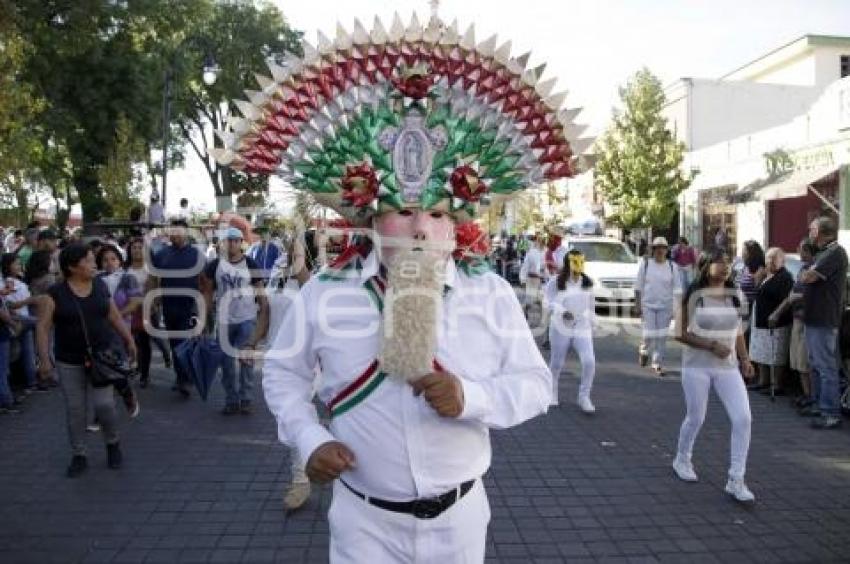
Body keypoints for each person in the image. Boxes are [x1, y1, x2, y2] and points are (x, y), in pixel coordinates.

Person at [36, 243, 139, 477]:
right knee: (75, 410)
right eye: (89, 260)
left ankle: (113, 443)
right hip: (69, 360)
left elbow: (113, 315)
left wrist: (129, 339)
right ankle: (79, 454)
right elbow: (42, 328)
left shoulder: (100, 285)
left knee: (104, 405)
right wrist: (44, 360)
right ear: (73, 267)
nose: (95, 264)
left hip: (102, 357)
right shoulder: (55, 293)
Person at [673, 249, 756, 503]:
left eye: (728, 262)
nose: (725, 266)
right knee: (696, 417)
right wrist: (710, 345)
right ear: (706, 266)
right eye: (719, 262)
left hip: (728, 367)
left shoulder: (735, 295)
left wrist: (745, 359)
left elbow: (739, 332)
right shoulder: (692, 295)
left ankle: (736, 478)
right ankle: (682, 458)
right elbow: (679, 333)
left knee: (743, 418)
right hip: (697, 366)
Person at [200, 227, 269, 415]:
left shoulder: (250, 264)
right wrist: (203, 319)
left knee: (246, 359)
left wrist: (264, 310)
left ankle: (246, 398)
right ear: (223, 243)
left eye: (235, 240)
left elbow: (261, 292)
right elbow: (207, 293)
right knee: (226, 363)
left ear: (241, 243)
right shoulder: (214, 265)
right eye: (228, 240)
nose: (231, 244)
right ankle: (231, 399)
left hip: (247, 318)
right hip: (223, 322)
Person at [801, 217, 848, 429]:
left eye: (812, 228)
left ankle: (830, 412)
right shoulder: (823, 253)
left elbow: (808, 277)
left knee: (826, 366)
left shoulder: (834, 252)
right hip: (814, 317)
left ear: (819, 231)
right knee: (816, 363)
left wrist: (805, 274)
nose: (809, 231)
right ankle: (819, 405)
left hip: (824, 318)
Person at [147, 219, 203, 397]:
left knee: (183, 343)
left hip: (189, 305)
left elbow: (204, 282)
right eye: (172, 231)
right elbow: (154, 278)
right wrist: (153, 300)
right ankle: (182, 376)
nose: (175, 234)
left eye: (178, 231)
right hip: (168, 305)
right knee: (174, 343)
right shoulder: (161, 253)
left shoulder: (196, 254)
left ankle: (185, 379)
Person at [544, 249, 596, 413]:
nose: (576, 272)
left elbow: (591, 306)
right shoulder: (555, 282)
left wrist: (593, 322)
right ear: (567, 266)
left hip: (582, 327)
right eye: (573, 267)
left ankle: (584, 396)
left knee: (589, 361)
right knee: (557, 363)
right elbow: (548, 301)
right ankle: (552, 393)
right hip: (561, 327)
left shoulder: (587, 283)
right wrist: (561, 311)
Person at [746, 248, 793, 395]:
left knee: (775, 353)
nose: (770, 261)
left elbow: (787, 299)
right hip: (761, 320)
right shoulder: (768, 275)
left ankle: (776, 385)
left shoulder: (785, 276)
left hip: (776, 322)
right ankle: (763, 381)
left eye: (774, 258)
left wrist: (776, 314)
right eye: (768, 258)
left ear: (782, 260)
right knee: (761, 351)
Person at [634, 237, 681, 376]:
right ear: (653, 250)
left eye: (663, 248)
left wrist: (677, 308)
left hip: (665, 306)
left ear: (667, 250)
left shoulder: (673, 267)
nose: (660, 250)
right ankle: (644, 349)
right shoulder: (646, 264)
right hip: (648, 305)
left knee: (661, 336)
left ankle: (657, 363)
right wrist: (638, 305)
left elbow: (678, 289)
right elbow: (638, 286)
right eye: (657, 248)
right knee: (649, 333)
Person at [1, 254, 41, 393]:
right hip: (17, 320)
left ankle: (32, 381)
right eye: (16, 263)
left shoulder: (19, 280)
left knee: (27, 352)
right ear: (7, 265)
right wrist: (29, 301)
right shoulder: (6, 282)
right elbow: (8, 305)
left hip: (24, 319)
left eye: (19, 263)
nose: (19, 266)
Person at [736, 240, 766, 344]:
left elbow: (759, 291)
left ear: (751, 254)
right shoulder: (745, 267)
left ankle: (747, 358)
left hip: (751, 308)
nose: (742, 254)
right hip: (740, 306)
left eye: (744, 251)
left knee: (747, 336)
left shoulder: (760, 270)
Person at [519, 236, 546, 319]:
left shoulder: (547, 252)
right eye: (540, 240)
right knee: (529, 300)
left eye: (543, 240)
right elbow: (525, 266)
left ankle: (543, 319)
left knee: (544, 300)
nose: (542, 242)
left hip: (544, 280)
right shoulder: (531, 252)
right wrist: (522, 279)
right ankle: (524, 315)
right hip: (532, 279)